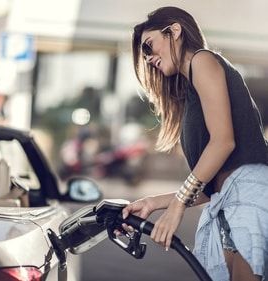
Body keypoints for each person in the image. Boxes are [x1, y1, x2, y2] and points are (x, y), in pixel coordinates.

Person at [121, 6, 268, 281]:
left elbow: (223, 142)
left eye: (149, 46)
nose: (149, 58)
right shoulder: (190, 97)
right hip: (230, 210)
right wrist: (154, 203)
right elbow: (211, 185)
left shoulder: (203, 60)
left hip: (253, 200)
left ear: (174, 31)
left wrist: (177, 204)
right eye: (145, 54)